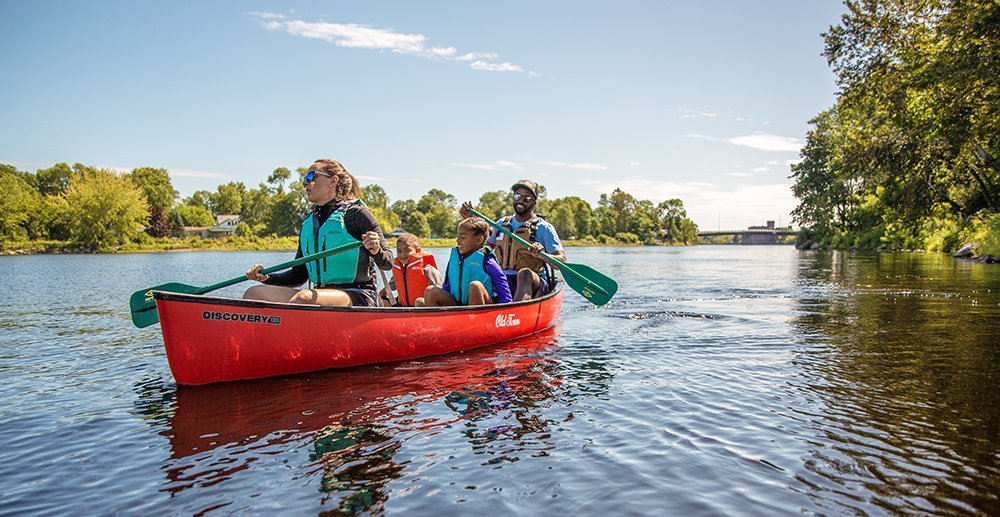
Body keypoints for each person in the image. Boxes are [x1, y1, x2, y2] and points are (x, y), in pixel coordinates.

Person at [243, 158, 392, 307]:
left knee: (304, 298)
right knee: (253, 294)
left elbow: (388, 262)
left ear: (333, 181)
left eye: (311, 177)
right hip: (320, 294)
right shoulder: (309, 222)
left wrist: (376, 250)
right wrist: (267, 277)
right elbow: (298, 275)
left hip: (358, 295)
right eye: (304, 178)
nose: (305, 183)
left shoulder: (358, 214)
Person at [460, 179, 565, 301]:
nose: (520, 201)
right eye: (517, 196)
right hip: (503, 280)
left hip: (532, 282)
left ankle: (516, 311)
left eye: (526, 198)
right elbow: (480, 248)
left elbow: (561, 261)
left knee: (524, 273)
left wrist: (542, 255)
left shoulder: (544, 228)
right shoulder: (500, 224)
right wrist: (471, 221)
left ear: (534, 202)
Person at [419, 217, 512, 307]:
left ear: (479, 240)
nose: (458, 241)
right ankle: (440, 321)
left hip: (483, 306)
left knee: (475, 286)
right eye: (458, 237)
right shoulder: (455, 257)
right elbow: (448, 284)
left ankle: (475, 320)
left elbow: (501, 282)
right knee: (430, 291)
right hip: (458, 304)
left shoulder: (487, 260)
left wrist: (506, 307)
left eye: (462, 238)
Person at [384, 233, 442, 307]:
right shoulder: (400, 270)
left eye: (407, 250)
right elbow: (390, 287)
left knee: (419, 301)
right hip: (404, 307)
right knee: (383, 302)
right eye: (399, 251)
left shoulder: (427, 269)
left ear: (418, 251)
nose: (402, 254)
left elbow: (439, 288)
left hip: (422, 305)